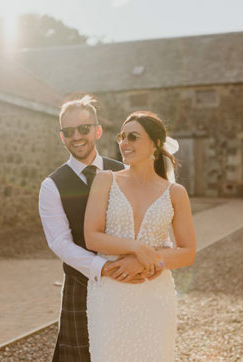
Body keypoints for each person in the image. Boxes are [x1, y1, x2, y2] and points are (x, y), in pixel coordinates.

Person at [38, 95, 151, 361]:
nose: (77, 136)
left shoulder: (124, 172)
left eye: (84, 128)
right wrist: (104, 269)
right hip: (81, 285)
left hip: (127, 282)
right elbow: (60, 243)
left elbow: (142, 224)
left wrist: (134, 262)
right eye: (69, 131)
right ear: (62, 137)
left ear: (97, 131)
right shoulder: (51, 186)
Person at [84, 110, 197, 361]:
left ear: (155, 143)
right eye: (122, 137)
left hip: (154, 293)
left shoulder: (175, 193)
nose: (124, 143)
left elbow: (188, 252)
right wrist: (138, 248)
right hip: (110, 291)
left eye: (133, 137)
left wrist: (146, 261)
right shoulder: (105, 180)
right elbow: (92, 237)